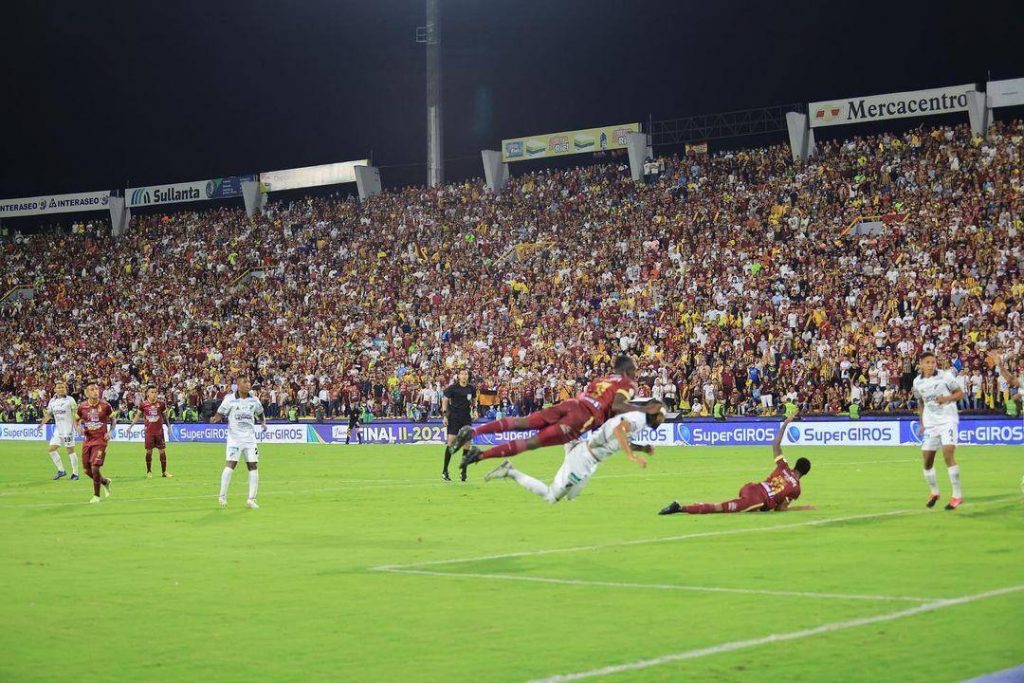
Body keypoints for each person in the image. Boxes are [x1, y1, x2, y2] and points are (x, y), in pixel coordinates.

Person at [453, 355, 661, 475]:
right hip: (579, 419)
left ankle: (473, 431)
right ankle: (479, 455)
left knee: (521, 422)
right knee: (530, 442)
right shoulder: (628, 384)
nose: (636, 374)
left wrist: (639, 447)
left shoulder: (601, 380)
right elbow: (616, 406)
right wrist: (643, 409)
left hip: (571, 404)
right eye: (634, 370)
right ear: (627, 371)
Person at [484, 405, 665, 504]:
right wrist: (632, 456)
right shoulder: (635, 420)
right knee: (551, 497)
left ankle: (569, 444)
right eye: (662, 418)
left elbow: (620, 440)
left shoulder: (636, 421)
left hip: (588, 459)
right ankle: (510, 471)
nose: (662, 421)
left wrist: (643, 449)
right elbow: (619, 431)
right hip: (584, 458)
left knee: (571, 496)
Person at [658, 411, 812, 515]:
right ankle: (681, 508)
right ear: (805, 473)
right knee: (720, 508)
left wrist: (785, 423)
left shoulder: (783, 466)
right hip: (757, 500)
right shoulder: (796, 489)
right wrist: (801, 508)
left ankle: (686, 506)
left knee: (726, 507)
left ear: (796, 465)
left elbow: (776, 444)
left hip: (752, 488)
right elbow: (781, 509)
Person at [912, 352, 964, 510]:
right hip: (931, 424)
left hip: (948, 420)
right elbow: (920, 403)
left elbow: (960, 394)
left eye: (933, 362)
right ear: (921, 364)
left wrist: (946, 399)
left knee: (948, 454)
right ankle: (934, 492)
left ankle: (957, 495)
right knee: (927, 461)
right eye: (927, 362)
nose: (931, 365)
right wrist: (922, 423)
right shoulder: (917, 382)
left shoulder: (946, 376)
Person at [212, 377, 267, 509]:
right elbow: (220, 413)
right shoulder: (229, 399)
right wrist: (215, 419)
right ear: (238, 385)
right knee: (231, 465)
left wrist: (263, 422)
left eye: (249, 383)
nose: (248, 385)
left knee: (253, 466)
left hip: (250, 439)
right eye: (245, 382)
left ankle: (251, 499)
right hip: (235, 439)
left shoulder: (254, 399)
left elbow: (260, 412)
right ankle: (222, 496)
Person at [73, 380, 115, 504]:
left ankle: (96, 496)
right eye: (92, 389)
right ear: (87, 393)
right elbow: (75, 420)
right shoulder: (82, 407)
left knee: (95, 468)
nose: (95, 391)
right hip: (87, 440)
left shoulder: (105, 405)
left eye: (96, 389)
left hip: (101, 440)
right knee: (87, 470)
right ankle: (105, 482)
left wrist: (110, 431)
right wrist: (78, 427)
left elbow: (113, 420)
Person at [40, 380, 79, 480]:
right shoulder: (52, 401)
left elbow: (76, 414)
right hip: (58, 430)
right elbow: (49, 415)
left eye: (63, 387)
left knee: (70, 450)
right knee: (51, 449)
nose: (61, 389)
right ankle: (61, 470)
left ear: (66, 389)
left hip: (68, 429)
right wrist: (41, 424)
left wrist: (76, 426)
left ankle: (75, 473)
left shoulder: (70, 400)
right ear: (55, 389)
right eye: (59, 387)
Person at [441, 369, 476, 481]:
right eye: (462, 374)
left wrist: (475, 410)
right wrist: (445, 415)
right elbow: (445, 400)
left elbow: (474, 400)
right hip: (454, 418)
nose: (464, 376)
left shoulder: (471, 388)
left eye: (466, 374)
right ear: (459, 376)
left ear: (468, 376)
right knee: (451, 443)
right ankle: (445, 471)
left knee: (467, 444)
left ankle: (463, 472)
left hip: (466, 418)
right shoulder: (453, 388)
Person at [130, 385, 172, 478]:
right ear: (147, 394)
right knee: (149, 452)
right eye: (152, 392)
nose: (154, 394)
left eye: (155, 392)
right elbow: (137, 416)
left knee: (162, 451)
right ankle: (149, 471)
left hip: (159, 432)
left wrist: (169, 427)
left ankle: (164, 472)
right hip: (149, 432)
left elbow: (165, 417)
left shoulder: (161, 404)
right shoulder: (143, 404)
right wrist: (131, 426)